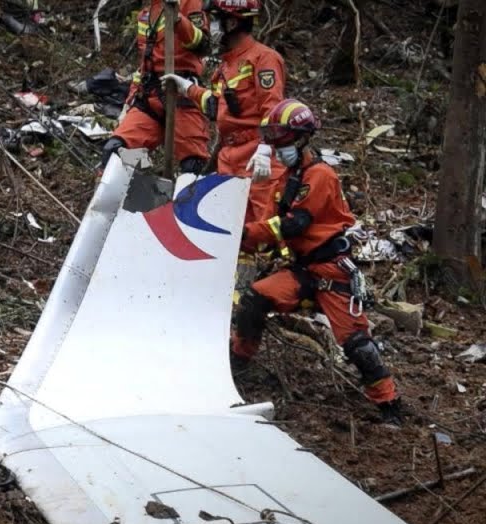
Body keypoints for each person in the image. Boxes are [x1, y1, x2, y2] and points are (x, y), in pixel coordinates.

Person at [230, 99, 403, 424]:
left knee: (357, 345)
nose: (278, 149)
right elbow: (271, 224)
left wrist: (244, 234)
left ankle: (389, 404)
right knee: (255, 298)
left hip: (330, 271)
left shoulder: (320, 175)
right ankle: (238, 363)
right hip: (301, 271)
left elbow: (295, 224)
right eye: (274, 143)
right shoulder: (284, 180)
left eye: (281, 142)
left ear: (299, 139)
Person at [161, 0, 285, 205]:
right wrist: (187, 88)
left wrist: (264, 149)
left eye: (216, 20)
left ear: (232, 23)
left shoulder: (263, 59)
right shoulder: (225, 66)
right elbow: (216, 106)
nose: (211, 26)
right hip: (228, 157)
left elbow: (273, 109)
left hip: (257, 158)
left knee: (258, 225)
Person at [101, 0, 211, 175]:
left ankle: (180, 193)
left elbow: (203, 46)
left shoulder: (190, 3)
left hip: (181, 94)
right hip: (149, 96)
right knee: (114, 151)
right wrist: (129, 101)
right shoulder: (146, 13)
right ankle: (147, 175)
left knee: (193, 166)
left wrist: (178, 19)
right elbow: (143, 65)